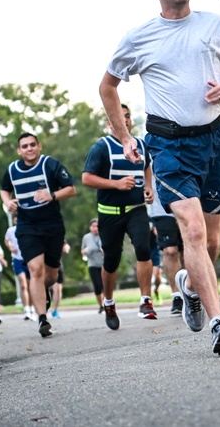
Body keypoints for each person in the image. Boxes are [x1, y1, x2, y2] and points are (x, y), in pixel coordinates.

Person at [99, 0, 220, 355]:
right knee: (191, 230)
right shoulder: (139, 38)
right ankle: (219, 325)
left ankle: (189, 284)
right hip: (168, 145)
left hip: (213, 141)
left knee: (211, 243)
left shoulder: (216, 26)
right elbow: (107, 88)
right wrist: (124, 138)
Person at [81, 104, 157, 330]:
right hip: (110, 213)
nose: (124, 120)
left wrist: (149, 188)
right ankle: (109, 302)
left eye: (127, 116)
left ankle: (145, 301)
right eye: (118, 117)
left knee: (144, 249)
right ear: (109, 122)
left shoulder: (141, 145)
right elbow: (86, 178)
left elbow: (147, 167)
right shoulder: (101, 147)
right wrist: (116, 184)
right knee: (111, 262)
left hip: (136, 209)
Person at [0, 132, 77, 338]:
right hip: (27, 227)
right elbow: (4, 190)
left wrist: (51, 195)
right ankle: (42, 318)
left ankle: (42, 294)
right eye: (24, 146)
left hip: (52, 225)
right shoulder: (12, 170)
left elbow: (71, 189)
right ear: (19, 150)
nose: (29, 148)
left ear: (39, 146)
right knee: (35, 269)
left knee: (50, 276)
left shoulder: (50, 165)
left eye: (32, 144)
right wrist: (8, 202)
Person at [149, 172, 184, 316]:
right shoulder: (145, 151)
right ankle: (177, 296)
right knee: (170, 251)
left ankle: (190, 290)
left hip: (186, 203)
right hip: (161, 209)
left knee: (187, 251)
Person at [4, 216, 37, 321]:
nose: (17, 220)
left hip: (29, 259)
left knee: (31, 285)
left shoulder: (28, 228)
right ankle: (26, 310)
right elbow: (7, 240)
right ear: (14, 220)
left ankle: (32, 309)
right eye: (16, 218)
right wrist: (10, 247)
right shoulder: (11, 230)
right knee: (23, 285)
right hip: (17, 260)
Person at [80, 218, 105, 312]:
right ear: (90, 227)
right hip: (92, 264)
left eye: (97, 226)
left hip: (103, 263)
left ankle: (107, 303)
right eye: (93, 226)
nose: (95, 228)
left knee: (105, 285)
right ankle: (101, 305)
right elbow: (82, 250)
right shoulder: (86, 237)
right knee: (97, 286)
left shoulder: (104, 235)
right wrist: (86, 251)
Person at [48, 242, 71, 318]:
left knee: (58, 289)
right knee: (52, 288)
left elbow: (65, 244)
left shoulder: (57, 233)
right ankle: (45, 307)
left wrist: (66, 247)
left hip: (58, 265)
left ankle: (55, 310)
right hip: (47, 265)